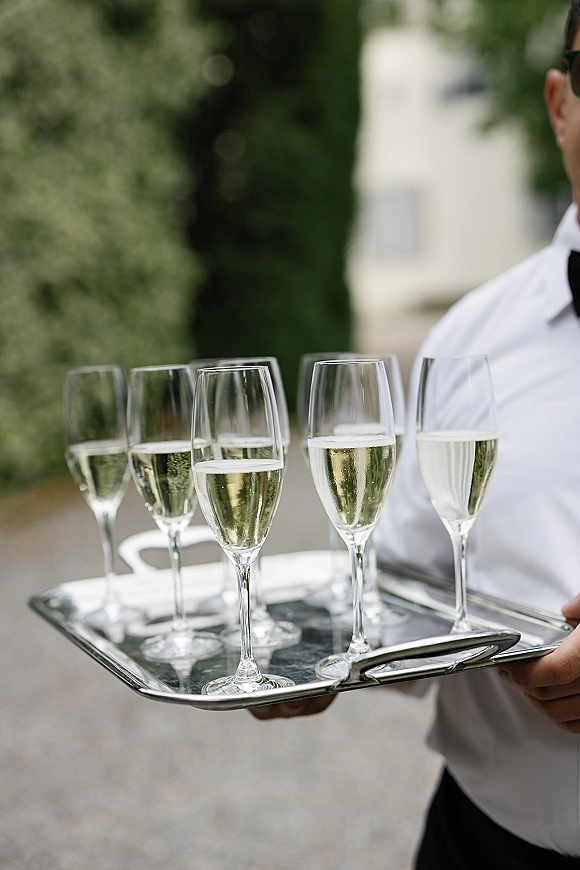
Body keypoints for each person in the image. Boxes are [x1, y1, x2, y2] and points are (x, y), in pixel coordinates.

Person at [252, 3, 580, 866]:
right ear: (559, 104)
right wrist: (325, 653)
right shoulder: (470, 337)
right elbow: (406, 584)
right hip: (484, 840)